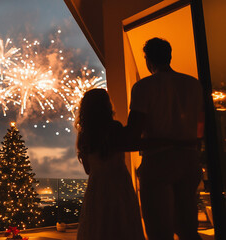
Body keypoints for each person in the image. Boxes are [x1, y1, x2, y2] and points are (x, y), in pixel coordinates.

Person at [127, 37, 204, 240]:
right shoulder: (194, 85)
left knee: (159, 230)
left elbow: (133, 134)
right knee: (188, 227)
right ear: (169, 56)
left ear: (148, 60)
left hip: (158, 162)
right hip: (189, 160)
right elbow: (201, 127)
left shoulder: (143, 87)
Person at [76, 89, 144, 240]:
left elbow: (88, 170)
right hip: (119, 183)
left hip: (97, 186)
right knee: (122, 225)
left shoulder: (84, 135)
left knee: (98, 226)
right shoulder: (114, 128)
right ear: (107, 106)